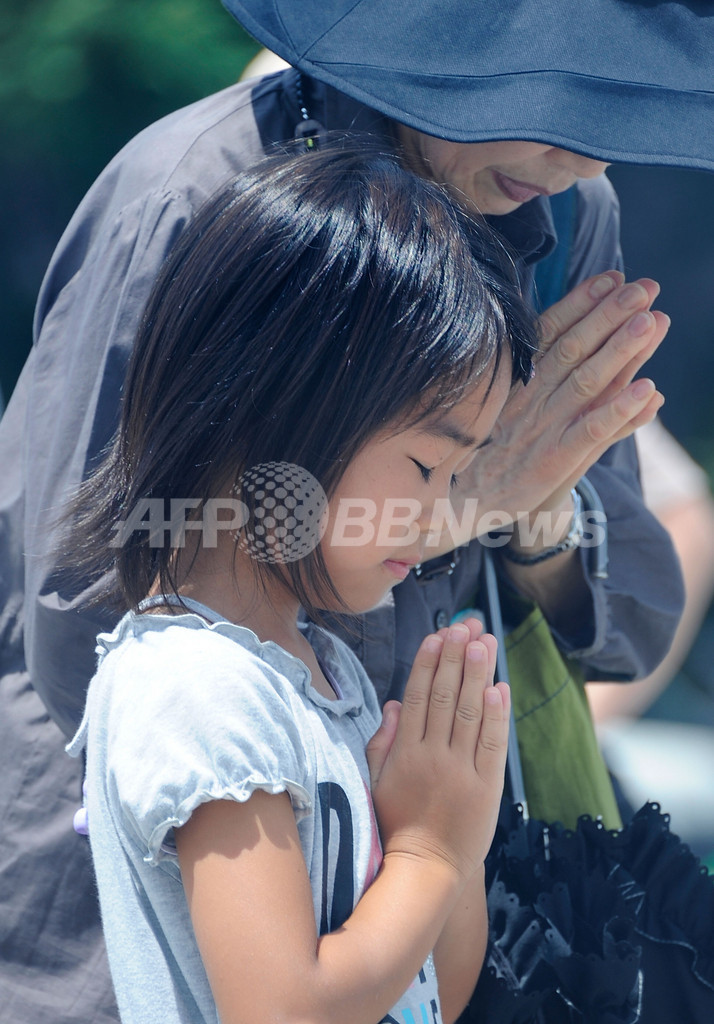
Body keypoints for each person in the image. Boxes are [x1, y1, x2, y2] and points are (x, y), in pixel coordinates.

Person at [0, 1, 701, 1017]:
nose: (580, 155)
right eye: (558, 90)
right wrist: (461, 506)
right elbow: (86, 614)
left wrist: (535, 514)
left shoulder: (567, 215)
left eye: (616, 100)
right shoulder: (194, 192)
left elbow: (633, 621)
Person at [64, 145, 534, 1024]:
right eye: (426, 465)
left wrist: (451, 837)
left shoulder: (321, 670)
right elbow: (283, 1010)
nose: (440, 511)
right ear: (281, 410)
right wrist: (428, 852)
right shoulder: (197, 687)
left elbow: (429, 995)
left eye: (456, 477)